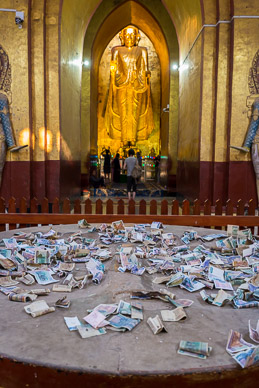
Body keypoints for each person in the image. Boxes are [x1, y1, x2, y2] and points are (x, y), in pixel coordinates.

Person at [105, 25, 154, 146]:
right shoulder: (116, 50)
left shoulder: (142, 50)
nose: (129, 38)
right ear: (122, 37)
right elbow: (114, 66)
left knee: (134, 112)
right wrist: (113, 72)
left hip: (137, 84)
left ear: (137, 38)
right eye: (127, 35)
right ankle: (123, 139)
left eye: (132, 35)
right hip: (121, 84)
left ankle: (132, 139)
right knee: (123, 111)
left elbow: (145, 68)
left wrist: (146, 75)